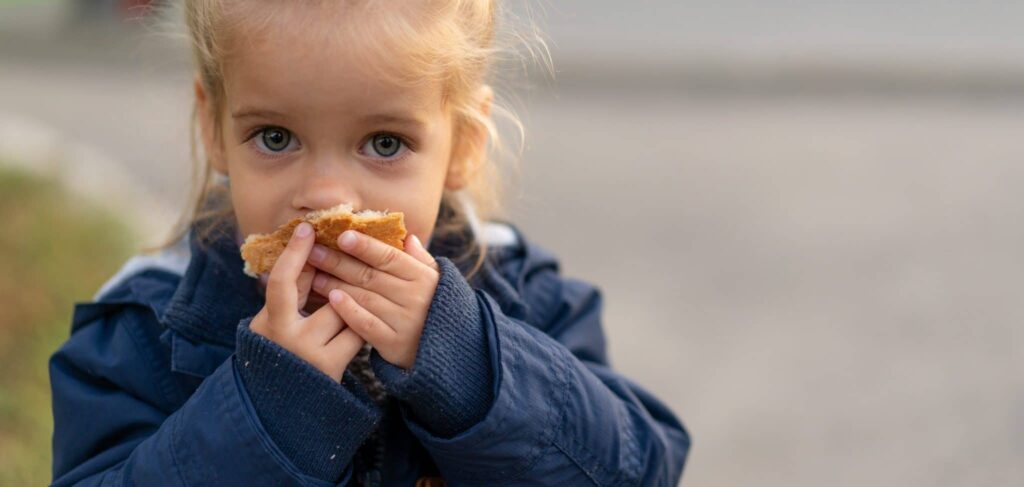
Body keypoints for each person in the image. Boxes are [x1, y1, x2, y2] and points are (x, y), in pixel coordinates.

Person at [49, 1, 690, 485]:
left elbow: (641, 469)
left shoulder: (521, 294)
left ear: (463, 144)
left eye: (385, 144)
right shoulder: (147, 329)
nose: (328, 198)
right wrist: (266, 409)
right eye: (275, 137)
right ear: (214, 128)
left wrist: (471, 364)